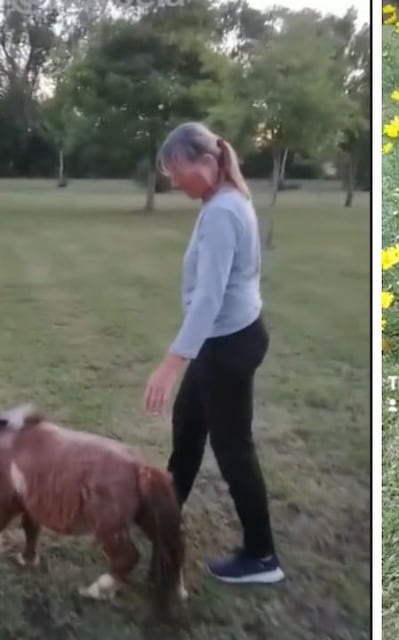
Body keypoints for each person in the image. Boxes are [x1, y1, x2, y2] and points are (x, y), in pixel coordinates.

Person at [143, 121, 284, 584]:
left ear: (206, 161)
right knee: (187, 429)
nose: (174, 181)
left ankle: (262, 557)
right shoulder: (223, 201)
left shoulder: (224, 210)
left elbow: (209, 298)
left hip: (227, 345)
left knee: (233, 449)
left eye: (177, 170)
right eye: (168, 173)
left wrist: (171, 363)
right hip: (223, 340)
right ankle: (163, 515)